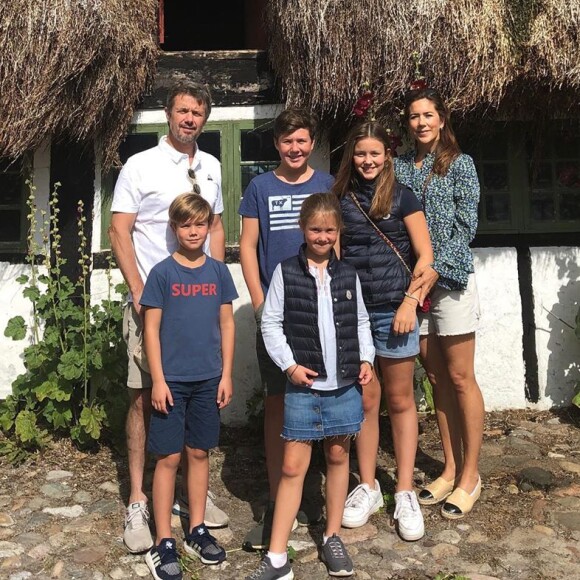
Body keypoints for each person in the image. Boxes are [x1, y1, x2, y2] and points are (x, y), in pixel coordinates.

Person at [109, 81, 228, 555]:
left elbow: (216, 226)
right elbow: (119, 231)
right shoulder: (141, 165)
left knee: (198, 394)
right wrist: (139, 291)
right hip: (154, 301)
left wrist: (220, 286)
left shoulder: (213, 166)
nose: (189, 119)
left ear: (204, 118)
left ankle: (189, 496)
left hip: (200, 300)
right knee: (145, 397)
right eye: (182, 110)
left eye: (197, 112)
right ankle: (139, 497)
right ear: (167, 113)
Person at [246, 193, 374, 580]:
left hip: (343, 386)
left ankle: (332, 537)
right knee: (291, 466)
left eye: (329, 230)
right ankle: (277, 557)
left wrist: (366, 358)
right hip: (304, 386)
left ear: (338, 233)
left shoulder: (348, 274)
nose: (322, 236)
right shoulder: (286, 272)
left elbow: (363, 323)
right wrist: (289, 366)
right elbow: (270, 323)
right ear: (304, 229)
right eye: (315, 229)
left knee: (338, 458)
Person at [239, 109, 334, 549]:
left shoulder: (326, 185)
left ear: (311, 143)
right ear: (276, 144)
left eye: (302, 141)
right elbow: (248, 248)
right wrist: (261, 307)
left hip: (320, 314)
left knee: (321, 405)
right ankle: (280, 498)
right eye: (286, 142)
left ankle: (310, 494)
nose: (294, 149)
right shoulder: (259, 187)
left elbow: (340, 243)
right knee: (278, 404)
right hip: (277, 317)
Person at [334, 121, 433, 541]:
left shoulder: (404, 196)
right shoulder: (340, 200)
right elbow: (337, 259)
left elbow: (426, 255)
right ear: (351, 157)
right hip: (357, 315)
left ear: (386, 156)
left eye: (375, 153)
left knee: (400, 398)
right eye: (361, 154)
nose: (368, 161)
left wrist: (410, 301)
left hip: (395, 312)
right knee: (367, 401)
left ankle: (405, 490)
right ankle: (369, 485)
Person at [394, 87, 483, 520]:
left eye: (429, 114)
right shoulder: (397, 169)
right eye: (414, 116)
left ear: (442, 119)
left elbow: (467, 226)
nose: (422, 122)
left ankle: (471, 475)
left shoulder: (460, 165)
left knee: (461, 376)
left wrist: (432, 272)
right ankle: (448, 467)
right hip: (412, 288)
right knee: (434, 377)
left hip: (447, 283)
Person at [141, 194, 237, 579]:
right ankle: (163, 540)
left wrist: (227, 374)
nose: (194, 231)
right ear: (174, 228)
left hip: (208, 380)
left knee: (198, 454)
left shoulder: (218, 272)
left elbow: (227, 324)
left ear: (208, 225)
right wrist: (159, 380)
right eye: (185, 225)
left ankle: (196, 528)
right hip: (172, 383)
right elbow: (151, 329)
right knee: (168, 458)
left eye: (200, 224)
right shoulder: (162, 273)